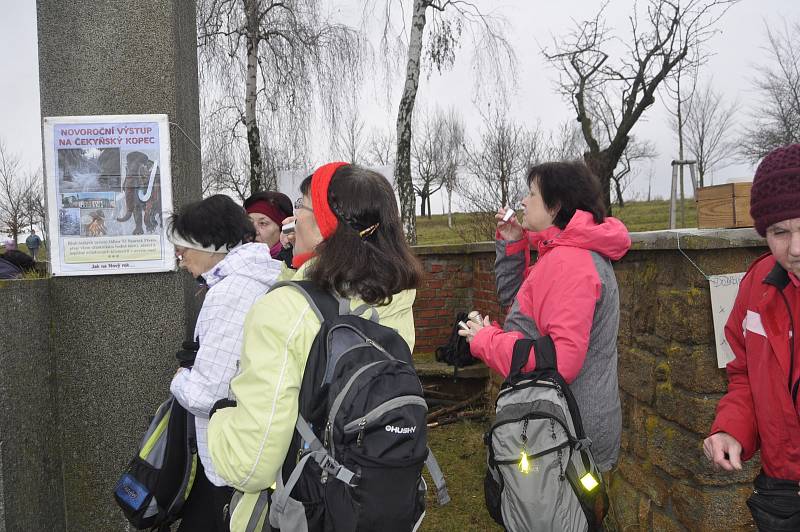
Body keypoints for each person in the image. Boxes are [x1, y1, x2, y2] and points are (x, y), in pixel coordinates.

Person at [207, 162, 423, 531]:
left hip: (298, 511)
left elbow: (251, 463)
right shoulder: (395, 299)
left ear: (326, 223)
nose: (293, 217)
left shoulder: (284, 310)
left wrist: (220, 417)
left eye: (302, 204)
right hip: (373, 502)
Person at [458, 160, 631, 474]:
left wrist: (487, 341)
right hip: (559, 423)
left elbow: (561, 359)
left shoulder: (570, 262)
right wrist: (512, 242)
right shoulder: (560, 253)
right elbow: (522, 311)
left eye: (532, 193)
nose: (523, 200)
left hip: (569, 431)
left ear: (556, 206)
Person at [167, 194, 283, 532]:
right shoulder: (265, 277)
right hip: (256, 447)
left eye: (183, 248)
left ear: (211, 244)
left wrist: (179, 378)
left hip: (227, 457)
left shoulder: (231, 292)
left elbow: (209, 395)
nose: (180, 257)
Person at [704, 143, 800, 529]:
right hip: (782, 491)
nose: (796, 249)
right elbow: (744, 375)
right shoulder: (756, 288)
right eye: (780, 232)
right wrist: (731, 428)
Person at [243, 191, 294, 267]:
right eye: (249, 223)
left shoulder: (294, 265)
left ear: (282, 229)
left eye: (263, 223)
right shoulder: (236, 261)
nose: (254, 232)